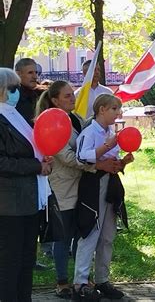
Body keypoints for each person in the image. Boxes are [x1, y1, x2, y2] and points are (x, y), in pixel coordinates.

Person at [35, 81, 121, 298]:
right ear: (54, 100)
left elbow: (88, 146)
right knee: (63, 235)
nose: (73, 99)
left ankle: (84, 279)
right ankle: (62, 281)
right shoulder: (50, 121)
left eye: (72, 95)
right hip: (63, 184)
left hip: (83, 183)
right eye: (67, 96)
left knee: (82, 231)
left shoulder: (76, 120)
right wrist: (97, 164)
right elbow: (67, 156)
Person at [73, 94, 134, 301]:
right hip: (93, 185)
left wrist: (122, 163)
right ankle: (80, 282)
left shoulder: (110, 132)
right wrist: (106, 148)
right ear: (102, 110)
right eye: (114, 109)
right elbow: (82, 156)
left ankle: (102, 279)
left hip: (111, 184)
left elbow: (111, 161)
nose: (118, 113)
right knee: (91, 231)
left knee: (108, 234)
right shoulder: (90, 132)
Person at [0, 68, 52, 301]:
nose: (16, 93)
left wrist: (43, 158)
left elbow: (33, 147)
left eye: (17, 88)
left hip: (29, 200)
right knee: (9, 263)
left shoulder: (14, 114)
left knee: (25, 260)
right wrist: (35, 166)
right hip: (8, 203)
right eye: (12, 88)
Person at [15, 58, 42, 127]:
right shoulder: (13, 98)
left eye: (36, 72)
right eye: (30, 73)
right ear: (18, 74)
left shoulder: (37, 95)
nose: (35, 76)